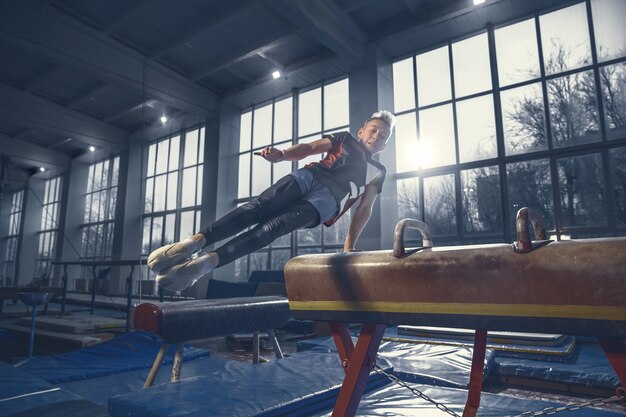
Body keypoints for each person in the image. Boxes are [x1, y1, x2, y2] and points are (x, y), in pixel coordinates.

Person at [148, 110, 396, 292]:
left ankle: (202, 264)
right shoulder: (344, 138)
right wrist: (283, 155)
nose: (376, 136)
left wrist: (348, 246)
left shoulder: (378, 171)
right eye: (373, 130)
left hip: (327, 200)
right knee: (259, 208)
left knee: (272, 227)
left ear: (384, 145)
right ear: (361, 130)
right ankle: (194, 244)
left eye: (383, 135)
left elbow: (364, 209)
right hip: (309, 176)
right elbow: (310, 148)